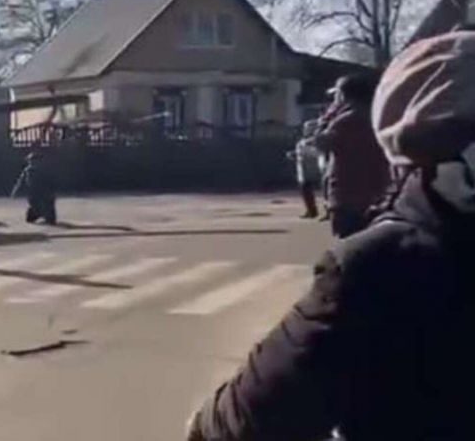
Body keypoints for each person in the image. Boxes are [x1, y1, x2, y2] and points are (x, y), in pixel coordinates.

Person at [186, 29, 475, 441]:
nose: (334, 100)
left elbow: (247, 421)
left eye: (338, 94)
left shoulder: (387, 266)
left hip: (356, 208)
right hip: (371, 203)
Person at [314, 74, 390, 238]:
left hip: (348, 197)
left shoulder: (343, 122)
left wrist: (326, 118)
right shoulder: (381, 117)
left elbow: (321, 143)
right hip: (380, 193)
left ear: (343, 95)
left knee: (351, 247)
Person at [11, 150, 58, 225]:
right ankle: (37, 214)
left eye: (33, 160)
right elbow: (21, 181)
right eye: (30, 161)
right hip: (33, 194)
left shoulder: (44, 169)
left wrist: (52, 192)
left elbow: (51, 181)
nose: (31, 162)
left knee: (48, 207)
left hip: (45, 193)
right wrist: (15, 191)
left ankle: (48, 216)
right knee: (35, 208)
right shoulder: (27, 171)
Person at [289, 121, 322, 219]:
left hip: (314, 169)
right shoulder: (303, 141)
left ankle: (322, 211)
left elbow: (316, 153)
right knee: (305, 191)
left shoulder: (316, 140)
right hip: (304, 170)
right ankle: (311, 210)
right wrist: (295, 154)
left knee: (325, 191)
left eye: (308, 128)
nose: (306, 130)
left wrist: (304, 152)